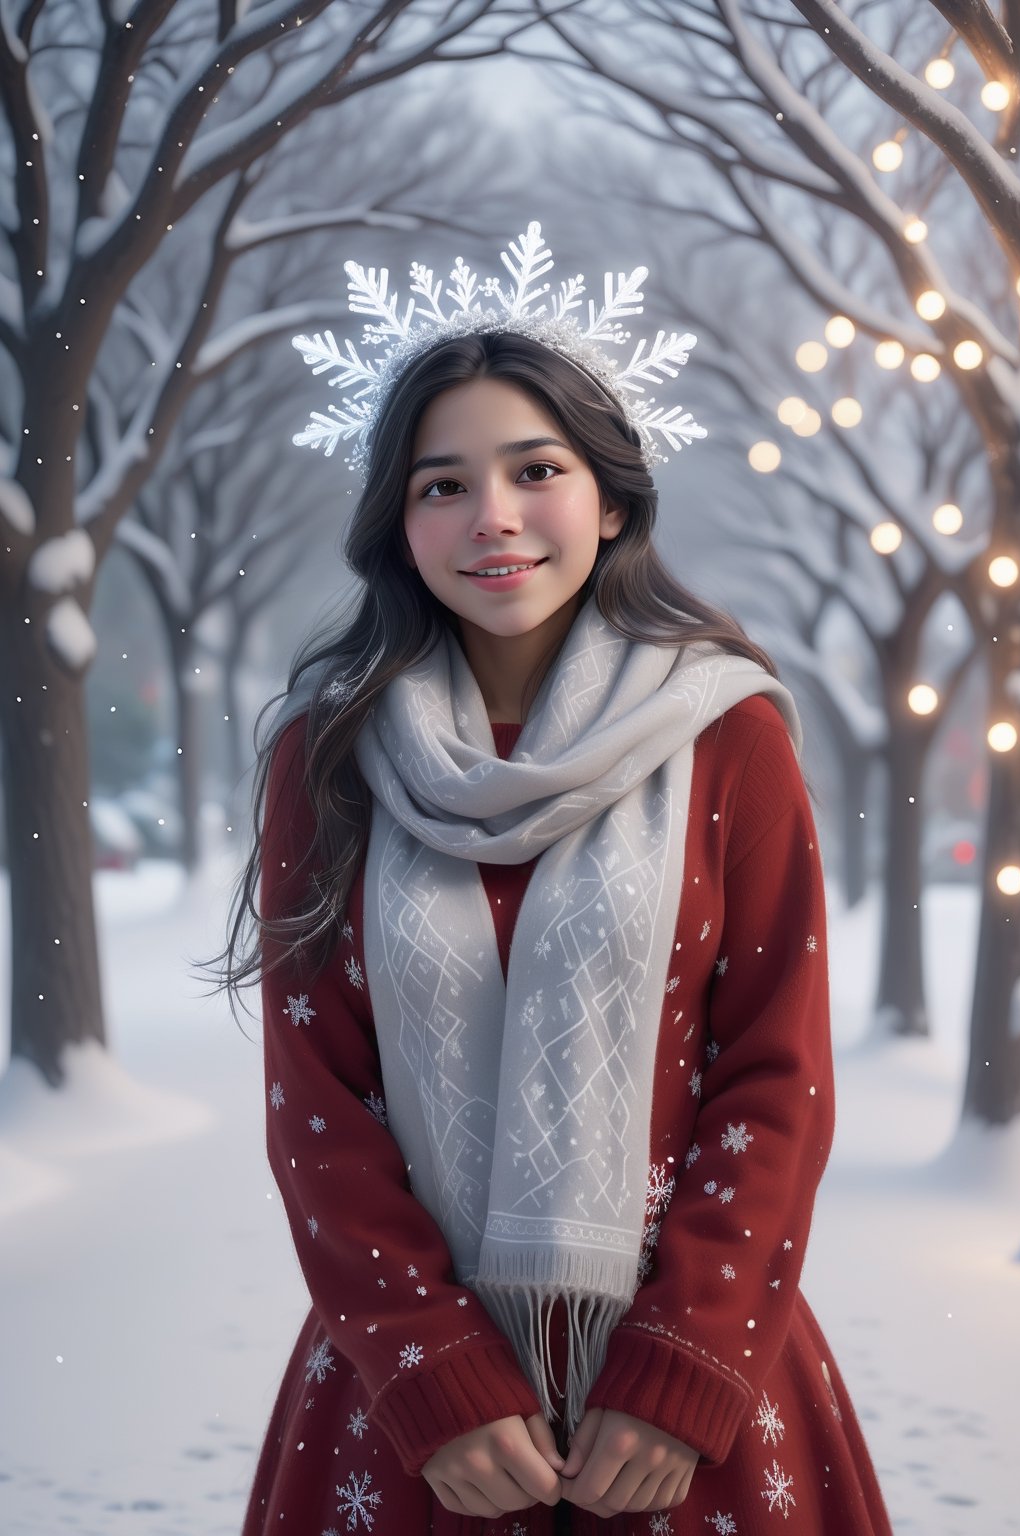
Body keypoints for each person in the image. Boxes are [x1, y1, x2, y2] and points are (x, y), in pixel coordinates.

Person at [213, 226, 893, 1534]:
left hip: (687, 1396)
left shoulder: (725, 736)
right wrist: (435, 1375)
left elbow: (774, 1077)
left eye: (537, 470)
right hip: (418, 1414)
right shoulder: (332, 751)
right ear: (397, 523)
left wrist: (682, 1370)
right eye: (442, 485)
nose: (494, 519)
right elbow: (320, 1105)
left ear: (615, 499)